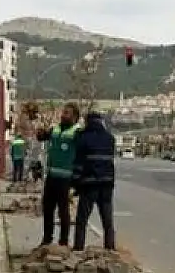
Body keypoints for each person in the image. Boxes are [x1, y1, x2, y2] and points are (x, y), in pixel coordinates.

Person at [34, 103, 81, 247]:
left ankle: (63, 242)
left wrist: (77, 180)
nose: (63, 115)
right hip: (52, 177)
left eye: (66, 113)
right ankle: (47, 239)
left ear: (74, 117)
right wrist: (40, 132)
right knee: (48, 209)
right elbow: (42, 137)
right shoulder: (55, 129)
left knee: (63, 211)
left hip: (66, 179)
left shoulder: (77, 132)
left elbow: (81, 154)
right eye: (63, 112)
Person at [71, 111, 117, 251]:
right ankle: (110, 249)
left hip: (89, 184)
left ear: (87, 121)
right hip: (107, 184)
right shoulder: (110, 138)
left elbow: (79, 164)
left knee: (82, 219)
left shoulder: (83, 138)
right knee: (107, 220)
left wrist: (74, 184)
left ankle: (79, 248)